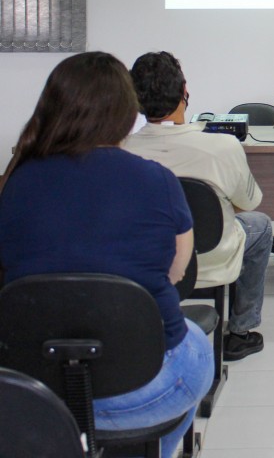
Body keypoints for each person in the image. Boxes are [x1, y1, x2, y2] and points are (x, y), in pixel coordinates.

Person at [0, 52, 213, 458]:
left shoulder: (16, 181)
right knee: (196, 343)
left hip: (41, 389)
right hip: (145, 389)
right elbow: (177, 273)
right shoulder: (157, 179)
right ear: (126, 111)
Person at [124, 51, 272, 362]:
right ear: (184, 92)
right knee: (260, 225)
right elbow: (249, 202)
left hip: (146, 261)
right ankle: (241, 331)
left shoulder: (121, 149)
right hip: (211, 258)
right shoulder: (222, 146)